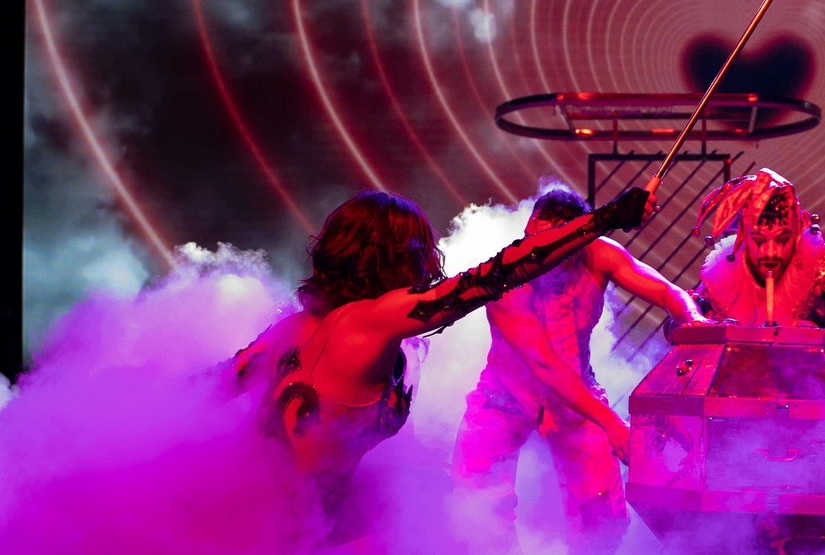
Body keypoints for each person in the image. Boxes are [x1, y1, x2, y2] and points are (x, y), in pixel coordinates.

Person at [229, 187, 650, 508]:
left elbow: (214, 387)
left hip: (308, 516)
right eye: (419, 247)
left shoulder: (304, 326)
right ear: (394, 257)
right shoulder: (372, 319)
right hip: (284, 528)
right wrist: (604, 219)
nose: (428, 260)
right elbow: (495, 275)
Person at [452, 185, 702, 550]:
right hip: (505, 398)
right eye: (539, 244)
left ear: (578, 239)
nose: (546, 257)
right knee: (476, 512)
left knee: (602, 520)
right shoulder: (506, 278)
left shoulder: (598, 254)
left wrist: (695, 322)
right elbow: (545, 365)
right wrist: (612, 424)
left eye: (559, 247)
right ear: (528, 230)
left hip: (577, 401)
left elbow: (667, 292)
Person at [692, 168, 825, 337]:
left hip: (808, 372)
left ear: (797, 231)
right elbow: (686, 315)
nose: (770, 252)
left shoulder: (824, 265)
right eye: (759, 240)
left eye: (782, 239)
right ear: (744, 236)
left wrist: (822, 331)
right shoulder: (723, 276)